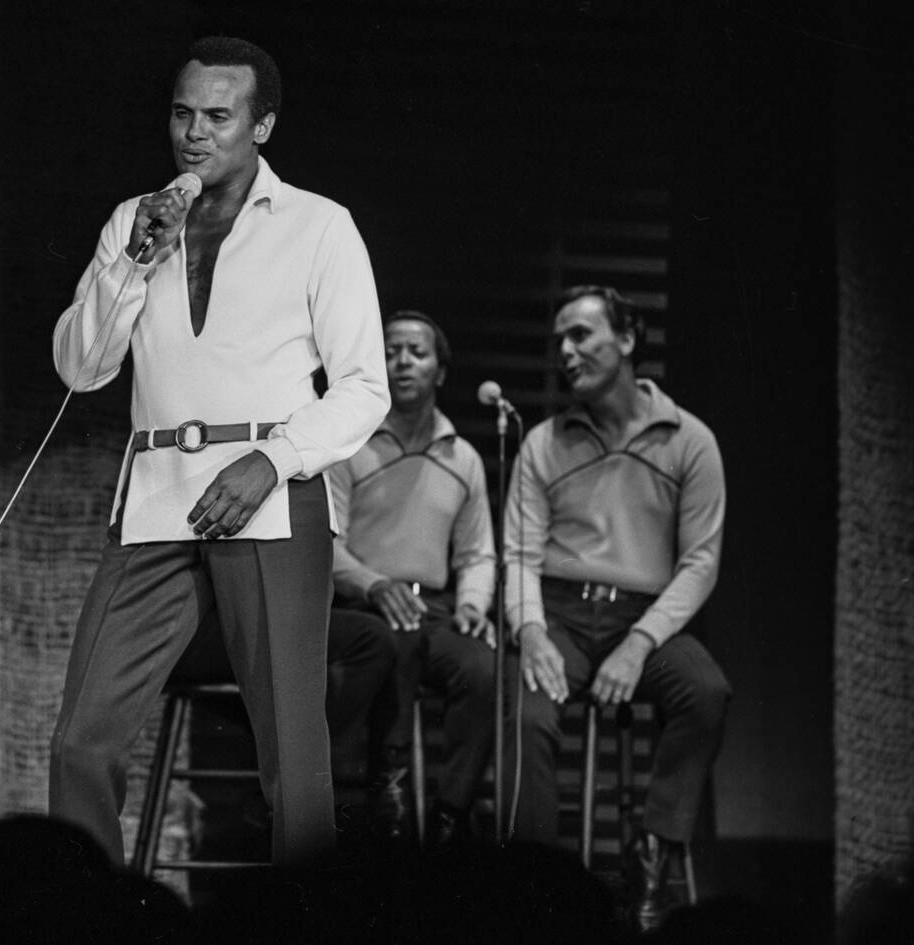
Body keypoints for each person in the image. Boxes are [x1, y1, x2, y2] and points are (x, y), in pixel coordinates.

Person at [49, 36, 389, 867]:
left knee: (293, 761)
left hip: (271, 496)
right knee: (80, 743)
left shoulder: (319, 226)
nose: (193, 133)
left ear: (262, 124)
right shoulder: (136, 220)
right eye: (181, 112)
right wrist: (135, 258)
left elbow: (363, 386)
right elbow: (82, 368)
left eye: (217, 115)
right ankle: (86, 916)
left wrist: (272, 459)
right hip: (160, 492)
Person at [504, 285, 731, 931]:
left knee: (706, 692)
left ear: (628, 339)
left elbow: (700, 561)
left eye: (580, 335)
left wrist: (639, 642)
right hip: (560, 611)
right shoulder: (543, 443)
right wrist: (531, 630)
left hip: (647, 616)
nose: (566, 352)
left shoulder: (691, 440)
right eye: (559, 343)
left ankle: (651, 855)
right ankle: (533, 886)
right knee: (526, 712)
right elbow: (518, 553)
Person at [327, 310, 499, 846]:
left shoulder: (463, 457)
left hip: (437, 608)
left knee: (483, 666)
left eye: (416, 352)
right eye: (391, 351)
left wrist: (473, 605)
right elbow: (324, 544)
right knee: (392, 642)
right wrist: (374, 584)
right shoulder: (348, 445)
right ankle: (389, 790)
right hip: (367, 605)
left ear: (440, 371)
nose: (402, 362)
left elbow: (477, 553)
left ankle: (452, 813)